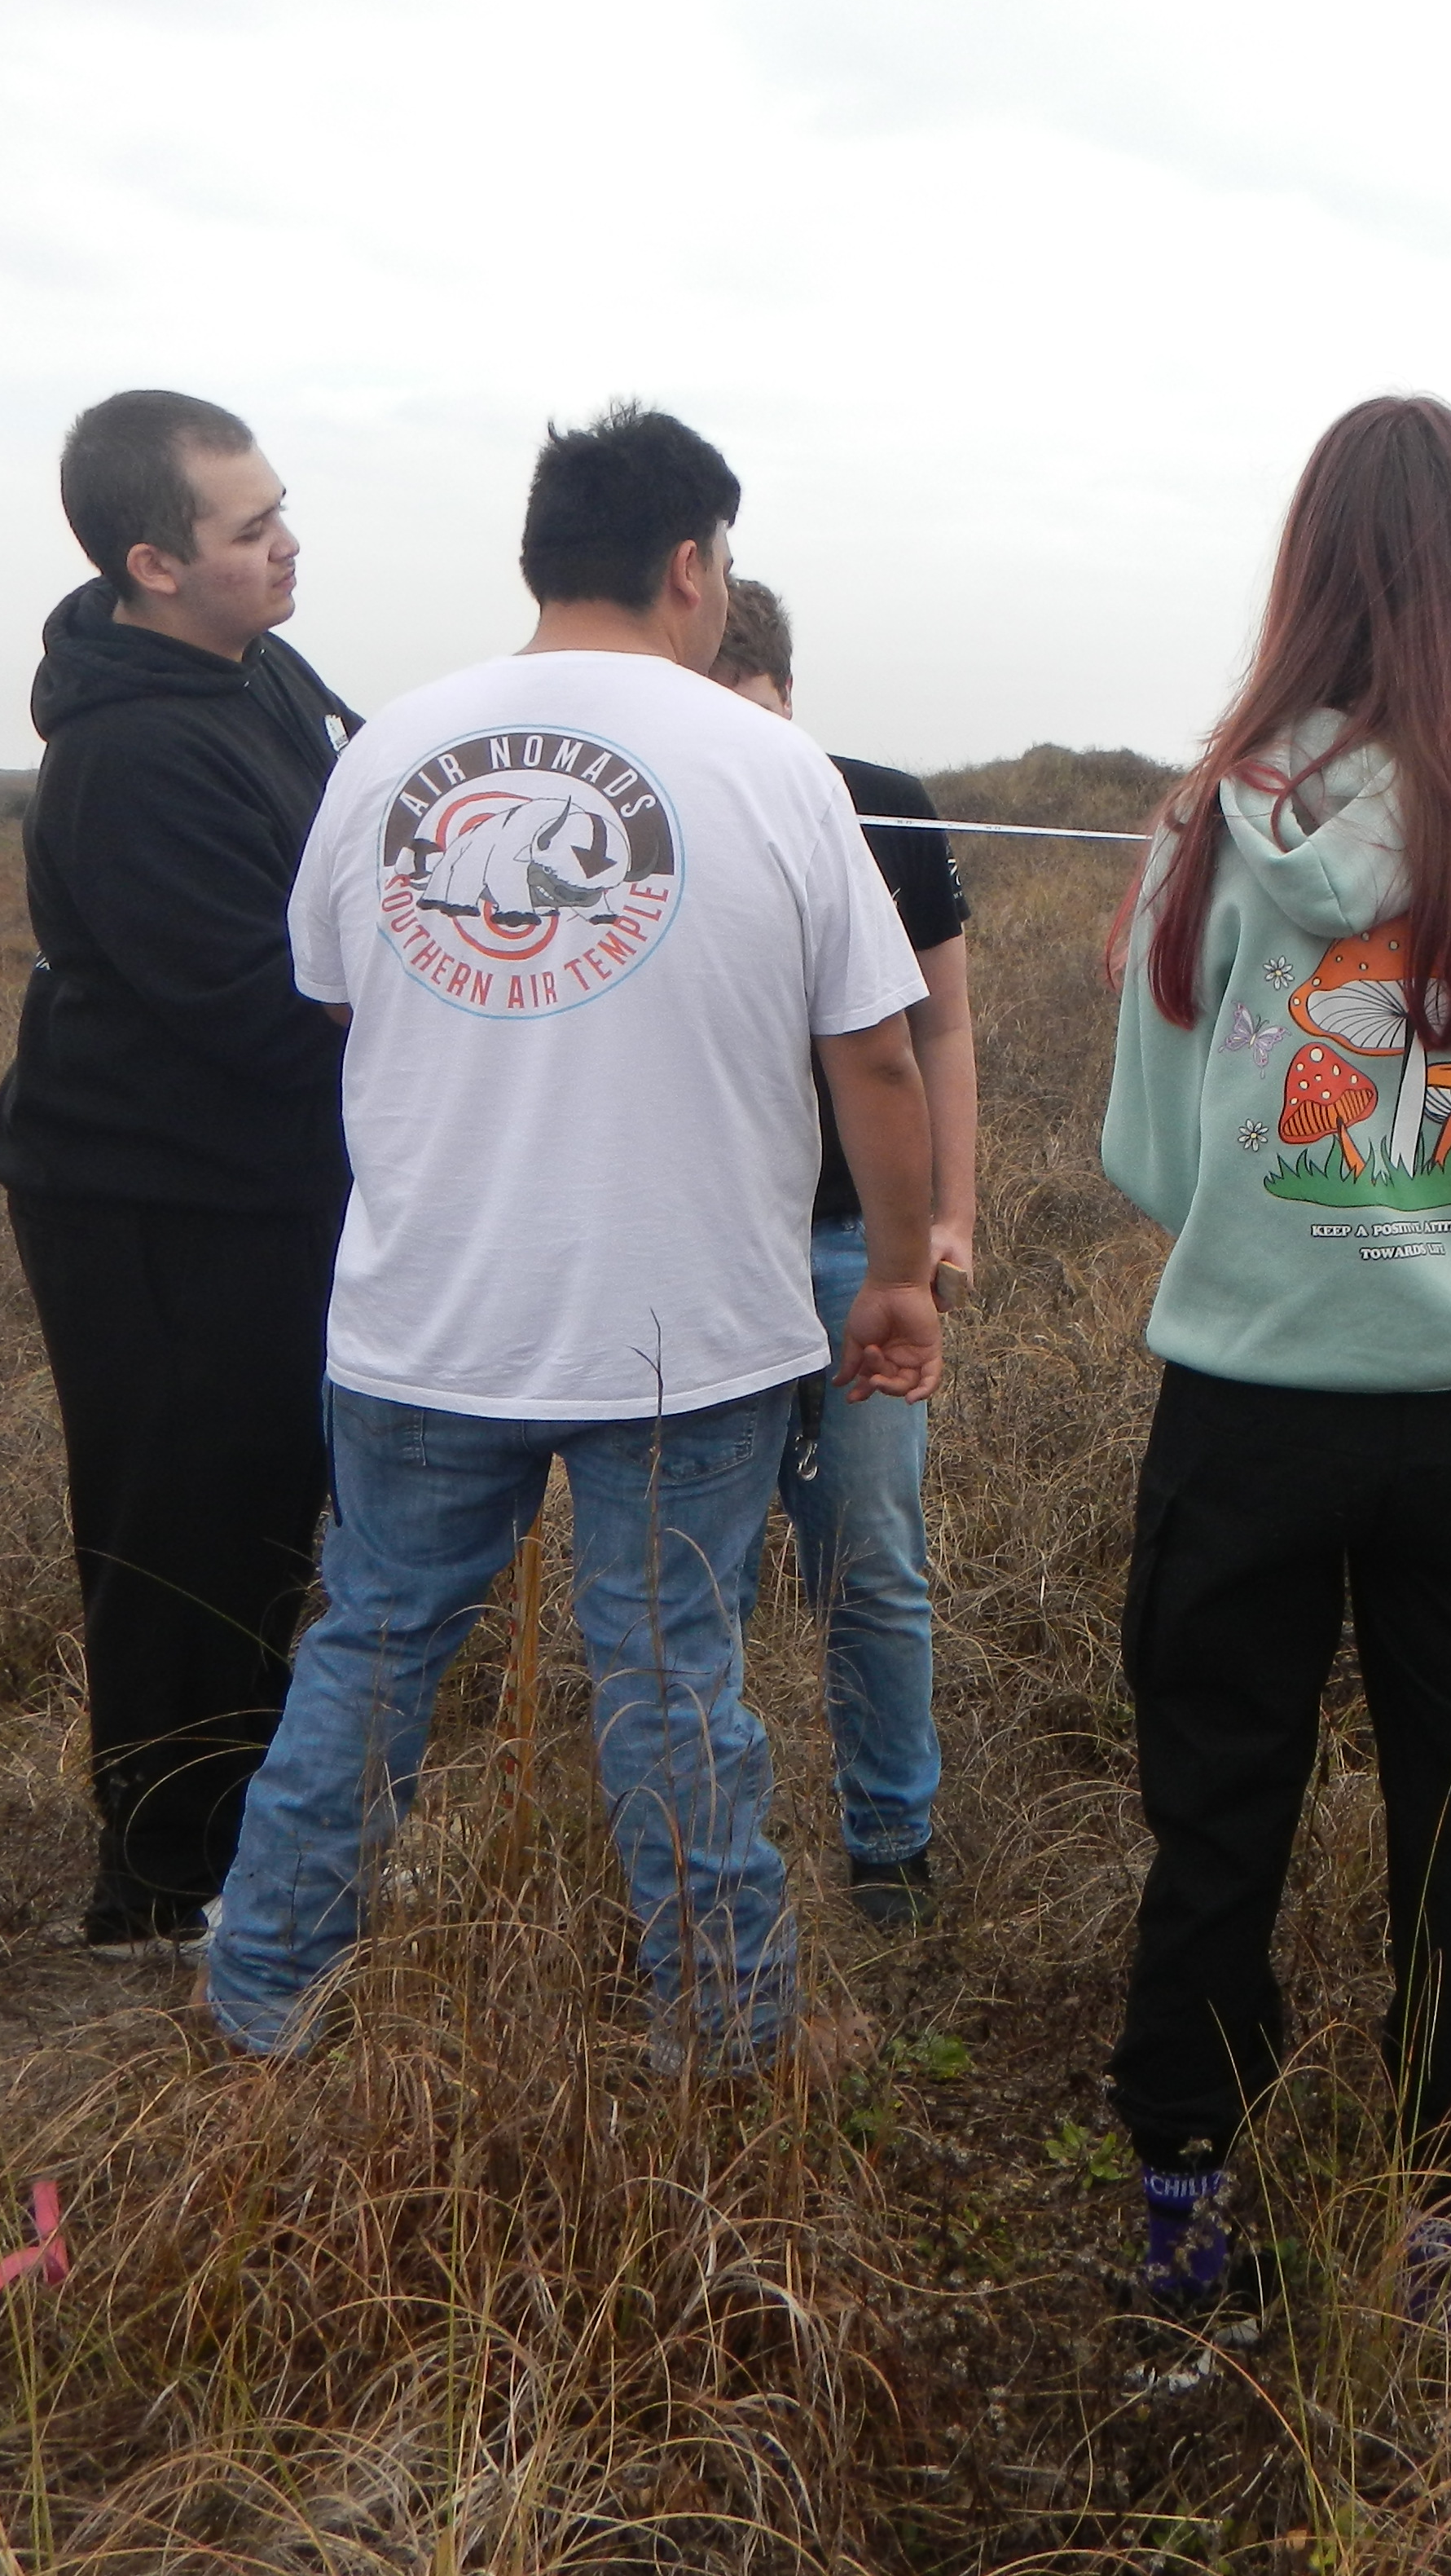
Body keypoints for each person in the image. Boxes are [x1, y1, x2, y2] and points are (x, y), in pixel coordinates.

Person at [206, 404, 939, 2076]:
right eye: (723, 563)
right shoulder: (774, 769)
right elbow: (880, 1053)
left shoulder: (388, 750)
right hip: (685, 1328)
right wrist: (899, 1271)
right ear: (692, 566)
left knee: (371, 1652)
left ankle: (262, 1995)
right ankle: (727, 2031)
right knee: (675, 1679)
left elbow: (331, 999)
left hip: (426, 1315)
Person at [1096, 395, 1451, 2310]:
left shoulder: (1211, 820)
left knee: (1220, 1803)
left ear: (1306, 564)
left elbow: (1154, 1165)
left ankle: (1190, 2201)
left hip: (1250, 1406)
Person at [0, 390, 358, 1955]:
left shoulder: (259, 674)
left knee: (270, 1509)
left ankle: (247, 1836)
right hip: (150, 1204)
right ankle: (161, 1885)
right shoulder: (128, 756)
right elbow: (258, 1010)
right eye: (248, 527)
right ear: (150, 560)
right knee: (176, 1525)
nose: (287, 544)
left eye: (281, 507)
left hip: (263, 1193)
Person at [711, 577, 975, 1928]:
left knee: (869, 1556)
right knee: (696, 1573)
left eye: (757, 716)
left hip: (848, 1245)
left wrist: (948, 1216)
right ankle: (705, 1848)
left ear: (791, 698)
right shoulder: (667, 810)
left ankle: (892, 1842)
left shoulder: (883, 801)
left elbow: (934, 1029)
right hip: (701, 1252)